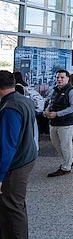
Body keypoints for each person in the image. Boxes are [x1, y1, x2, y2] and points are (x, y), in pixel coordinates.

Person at [0, 70, 38, 238]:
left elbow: (8, 145)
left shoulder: (10, 108)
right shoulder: (23, 100)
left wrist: (0, 175)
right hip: (27, 157)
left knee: (14, 206)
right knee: (10, 203)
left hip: (16, 164)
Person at [43, 70, 73, 177]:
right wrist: (47, 110)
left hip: (66, 123)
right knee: (55, 143)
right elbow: (51, 102)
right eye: (57, 77)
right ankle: (69, 160)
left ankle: (66, 167)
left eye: (62, 77)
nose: (59, 79)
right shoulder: (55, 90)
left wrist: (58, 114)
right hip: (54, 122)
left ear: (68, 78)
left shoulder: (72, 91)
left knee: (65, 145)